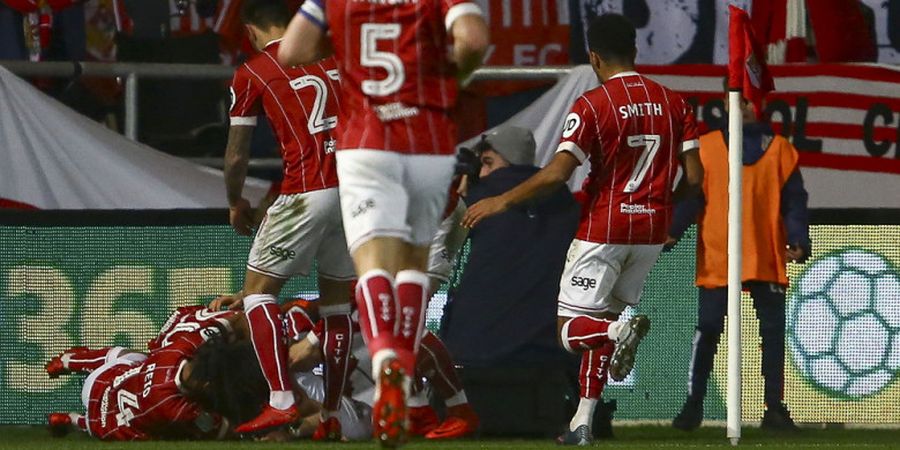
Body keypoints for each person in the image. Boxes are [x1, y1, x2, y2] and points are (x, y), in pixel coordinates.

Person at [463, 13, 704, 446]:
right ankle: (581, 424)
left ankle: (617, 332)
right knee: (602, 320)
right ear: (634, 51)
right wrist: (664, 202)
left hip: (605, 226)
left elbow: (557, 174)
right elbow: (696, 179)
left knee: (570, 330)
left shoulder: (593, 105)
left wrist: (500, 200)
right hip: (650, 230)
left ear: (594, 57)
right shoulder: (675, 103)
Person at [276, 0, 489, 445]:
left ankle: (384, 357)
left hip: (365, 138)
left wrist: (345, 52)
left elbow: (291, 50)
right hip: (428, 136)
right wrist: (452, 78)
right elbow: (472, 39)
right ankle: (404, 367)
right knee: (413, 261)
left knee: (372, 264)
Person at [223, 0, 356, 437]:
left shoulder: (255, 70)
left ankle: (280, 399)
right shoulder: (338, 57)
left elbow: (237, 153)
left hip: (306, 190)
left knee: (258, 294)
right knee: (338, 306)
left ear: (250, 31)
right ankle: (332, 416)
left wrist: (235, 200)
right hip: (355, 192)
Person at [669, 86, 810, 432]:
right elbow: (691, 197)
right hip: (720, 254)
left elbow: (795, 202)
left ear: (758, 104)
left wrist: (798, 238)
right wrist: (671, 230)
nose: (744, 105)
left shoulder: (781, 151)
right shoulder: (707, 148)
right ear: (725, 102)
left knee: (773, 334)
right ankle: (694, 404)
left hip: (765, 253)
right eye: (738, 99)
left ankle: (774, 408)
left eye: (749, 99)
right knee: (709, 330)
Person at [443, 126, 579, 368]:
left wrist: (462, 187)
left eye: (487, 163)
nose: (482, 173)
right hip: (549, 357)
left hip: (477, 352)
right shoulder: (565, 200)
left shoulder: (483, 194)